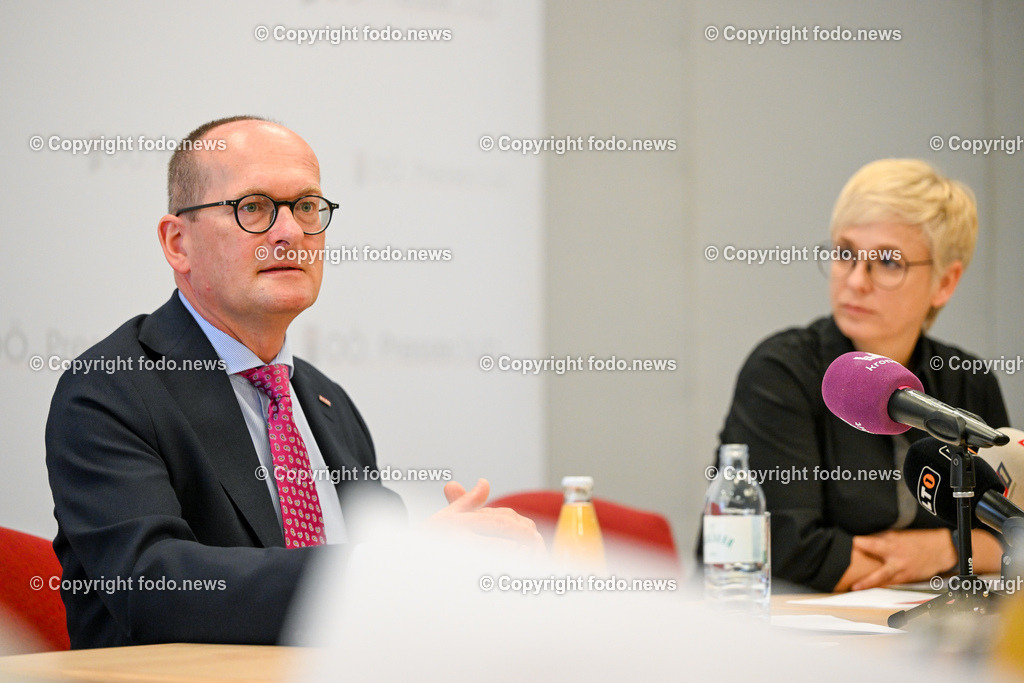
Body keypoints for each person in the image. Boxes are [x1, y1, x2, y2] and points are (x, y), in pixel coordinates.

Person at [45, 116, 543, 649]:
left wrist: (464, 563)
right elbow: (157, 586)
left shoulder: (327, 402)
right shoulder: (110, 389)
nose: (290, 233)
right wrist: (390, 567)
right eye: (253, 207)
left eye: (306, 206)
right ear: (177, 243)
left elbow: (390, 586)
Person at [714, 159, 1009, 592]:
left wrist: (942, 549)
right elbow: (790, 550)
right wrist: (963, 550)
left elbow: (1010, 532)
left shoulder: (968, 380)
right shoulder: (781, 371)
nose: (855, 281)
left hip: (920, 617)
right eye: (845, 253)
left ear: (945, 282)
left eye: (887, 262)